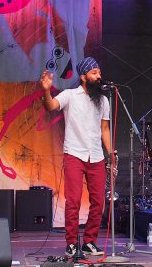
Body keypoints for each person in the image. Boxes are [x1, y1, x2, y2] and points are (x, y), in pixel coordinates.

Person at [41, 57, 112, 257]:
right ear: (83, 77)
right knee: (73, 201)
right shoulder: (70, 95)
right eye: (94, 73)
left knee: (99, 201)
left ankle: (89, 241)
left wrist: (111, 152)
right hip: (74, 153)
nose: (99, 76)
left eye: (99, 72)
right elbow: (50, 106)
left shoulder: (103, 100)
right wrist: (46, 90)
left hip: (96, 156)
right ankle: (71, 242)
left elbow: (104, 129)